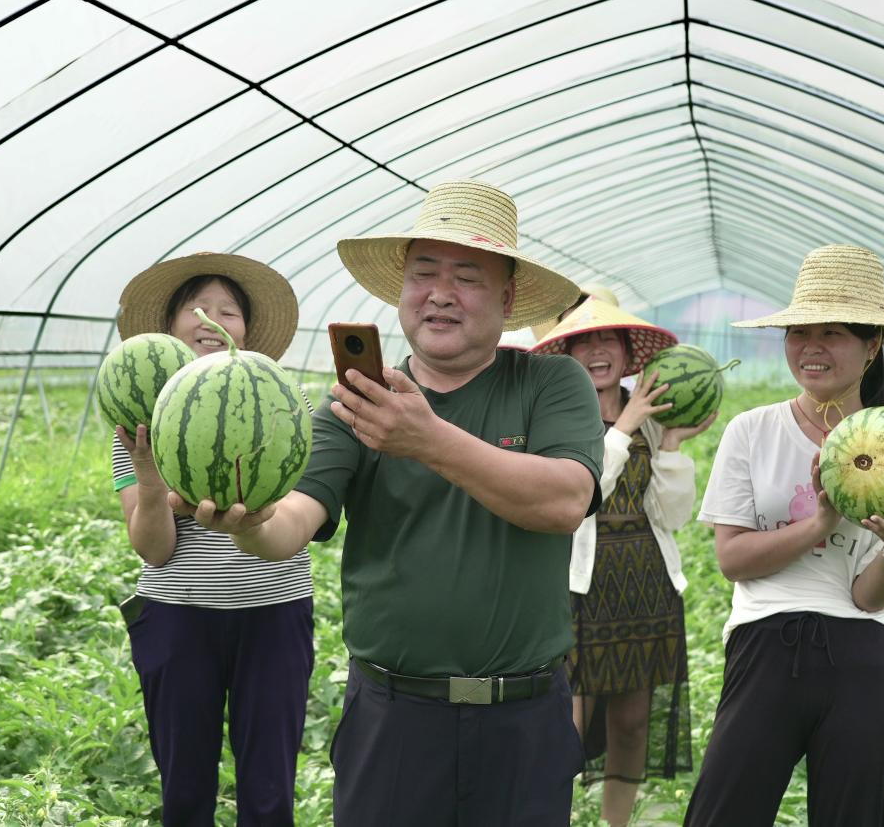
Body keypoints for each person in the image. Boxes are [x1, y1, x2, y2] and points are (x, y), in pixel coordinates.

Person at [173, 180, 606, 826]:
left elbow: (563, 501)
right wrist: (250, 520)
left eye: (467, 276)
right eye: (423, 273)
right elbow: (291, 522)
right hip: (393, 716)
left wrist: (428, 439)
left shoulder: (549, 382)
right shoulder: (355, 402)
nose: (439, 291)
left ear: (508, 298)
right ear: (401, 292)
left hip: (523, 716)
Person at [682, 244, 884, 827]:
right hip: (766, 646)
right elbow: (732, 559)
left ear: (872, 346)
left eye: (833, 333)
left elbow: (866, 599)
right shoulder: (752, 430)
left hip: (864, 655)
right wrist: (822, 522)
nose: (812, 347)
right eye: (800, 332)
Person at [110, 252, 313, 826]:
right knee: (185, 787)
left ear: (244, 330)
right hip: (177, 616)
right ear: (171, 326)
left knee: (271, 791)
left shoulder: (290, 404)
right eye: (197, 308)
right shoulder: (138, 422)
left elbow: (304, 512)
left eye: (229, 310)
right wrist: (149, 477)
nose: (212, 319)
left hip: (275, 611)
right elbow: (154, 549)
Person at [532, 298, 714, 825]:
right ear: (566, 352)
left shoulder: (654, 416)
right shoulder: (556, 417)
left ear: (628, 351)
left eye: (607, 339)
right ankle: (551, 815)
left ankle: (617, 822)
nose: (597, 351)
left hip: (646, 582)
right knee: (568, 718)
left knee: (633, 721)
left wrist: (673, 446)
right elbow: (578, 497)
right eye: (584, 341)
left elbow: (671, 514)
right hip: (578, 584)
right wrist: (622, 428)